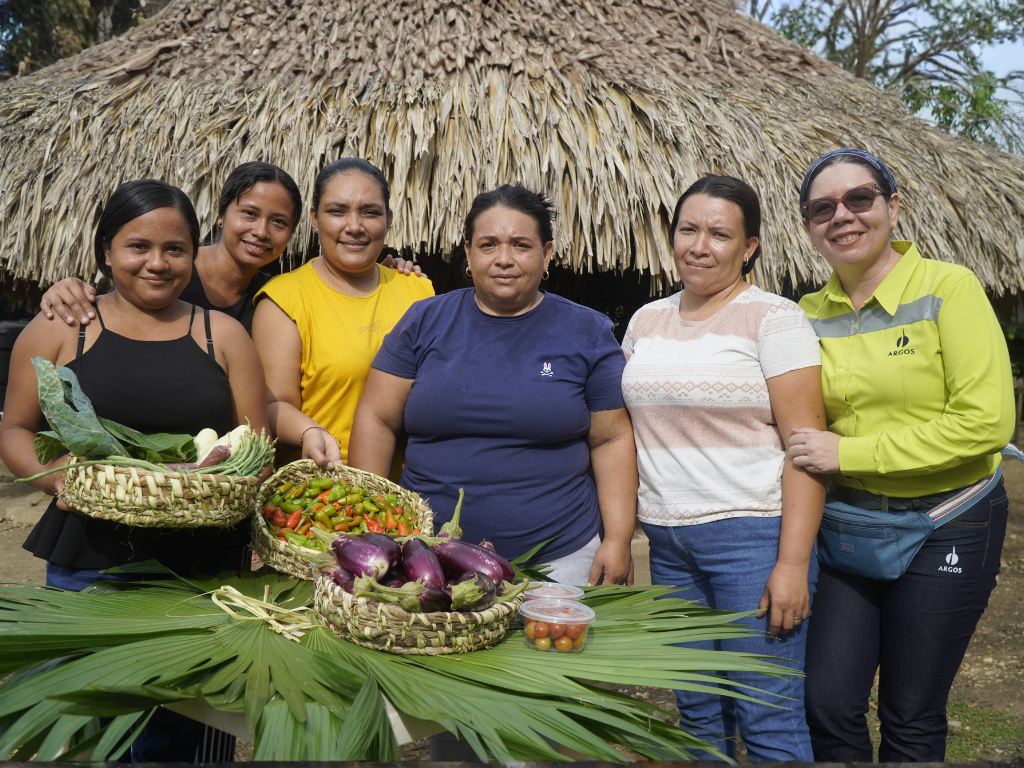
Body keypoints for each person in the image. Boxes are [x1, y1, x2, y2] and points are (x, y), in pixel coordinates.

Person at [0, 179, 270, 762]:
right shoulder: (61, 327)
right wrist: (58, 478)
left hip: (202, 570)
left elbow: (254, 442)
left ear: (192, 254)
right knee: (101, 733)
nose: (157, 263)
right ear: (105, 252)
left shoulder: (222, 334)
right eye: (137, 247)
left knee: (189, 738)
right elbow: (15, 430)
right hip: (90, 563)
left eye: (175, 249)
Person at [790, 149, 1014, 763]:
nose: (843, 216)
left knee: (911, 712)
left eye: (859, 199)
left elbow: (985, 424)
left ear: (893, 207)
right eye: (822, 208)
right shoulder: (803, 316)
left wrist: (848, 452)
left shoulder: (950, 288)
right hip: (848, 525)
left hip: (949, 519)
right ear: (808, 228)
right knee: (828, 703)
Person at [620, 176, 826, 762]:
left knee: (767, 711)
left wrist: (790, 563)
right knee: (697, 710)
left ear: (749, 247)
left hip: (753, 540)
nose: (699, 246)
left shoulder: (774, 319)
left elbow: (806, 449)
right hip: (667, 542)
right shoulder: (645, 321)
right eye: (689, 229)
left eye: (719, 234)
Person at [349, 184, 638, 586]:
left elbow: (612, 439)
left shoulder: (586, 330)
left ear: (546, 254)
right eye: (488, 244)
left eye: (521, 245)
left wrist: (620, 538)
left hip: (560, 561)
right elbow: (376, 418)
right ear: (468, 253)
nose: (504, 259)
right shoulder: (424, 321)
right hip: (426, 561)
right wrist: (374, 526)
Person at [38, 161, 424, 335]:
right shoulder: (169, 274)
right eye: (249, 214)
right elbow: (114, 302)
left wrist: (394, 272)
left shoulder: (274, 295)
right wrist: (67, 288)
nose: (261, 232)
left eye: (278, 222)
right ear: (222, 215)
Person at [252, 159, 434, 473]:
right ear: (314, 218)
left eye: (370, 212)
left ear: (389, 219)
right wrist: (310, 431)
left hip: (410, 494)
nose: (354, 226)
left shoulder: (418, 292)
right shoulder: (285, 299)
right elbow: (270, 405)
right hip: (323, 490)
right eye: (337, 211)